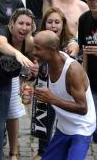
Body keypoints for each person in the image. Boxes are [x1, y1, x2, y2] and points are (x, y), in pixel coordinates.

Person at [33, 30, 96, 160]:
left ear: (52, 50)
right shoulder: (45, 64)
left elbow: (83, 108)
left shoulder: (72, 71)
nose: (34, 52)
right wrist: (28, 93)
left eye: (38, 48)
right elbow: (39, 90)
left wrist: (52, 99)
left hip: (81, 128)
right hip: (63, 126)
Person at [33, 7, 80, 160]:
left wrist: (70, 53)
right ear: (44, 24)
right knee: (44, 119)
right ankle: (42, 152)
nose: (53, 26)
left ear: (63, 24)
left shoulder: (68, 40)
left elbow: (74, 46)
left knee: (66, 120)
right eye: (50, 22)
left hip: (65, 88)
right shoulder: (39, 39)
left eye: (57, 22)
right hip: (44, 83)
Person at [0, 8, 38, 160]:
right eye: (20, 23)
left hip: (9, 80)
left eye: (28, 24)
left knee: (11, 115)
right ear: (12, 23)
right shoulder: (2, 32)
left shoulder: (29, 42)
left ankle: (13, 153)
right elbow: (0, 45)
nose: (24, 27)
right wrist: (17, 53)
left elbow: (31, 65)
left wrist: (30, 77)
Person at [78, 0, 97, 143]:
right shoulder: (84, 19)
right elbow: (83, 49)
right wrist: (84, 75)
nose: (94, 2)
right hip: (92, 76)